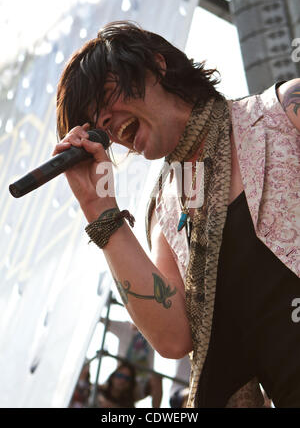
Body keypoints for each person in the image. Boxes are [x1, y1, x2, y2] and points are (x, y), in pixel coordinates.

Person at [53, 21, 300, 408]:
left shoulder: (282, 113)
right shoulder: (165, 211)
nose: (103, 124)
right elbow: (172, 337)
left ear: (157, 66)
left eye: (105, 97)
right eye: (92, 121)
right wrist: (99, 209)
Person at [101, 318, 162, 408]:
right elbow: (102, 320)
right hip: (122, 378)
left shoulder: (153, 331)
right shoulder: (125, 327)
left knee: (156, 379)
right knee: (111, 390)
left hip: (140, 383)